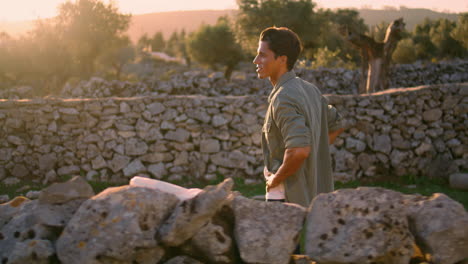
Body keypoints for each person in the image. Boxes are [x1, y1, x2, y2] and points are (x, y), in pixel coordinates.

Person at [253, 27, 344, 208]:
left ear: (282, 59)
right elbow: (337, 125)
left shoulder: (283, 97)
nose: (256, 60)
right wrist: (314, 155)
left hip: (287, 198)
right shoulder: (310, 89)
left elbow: (299, 151)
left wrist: (274, 180)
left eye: (263, 55)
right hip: (317, 196)